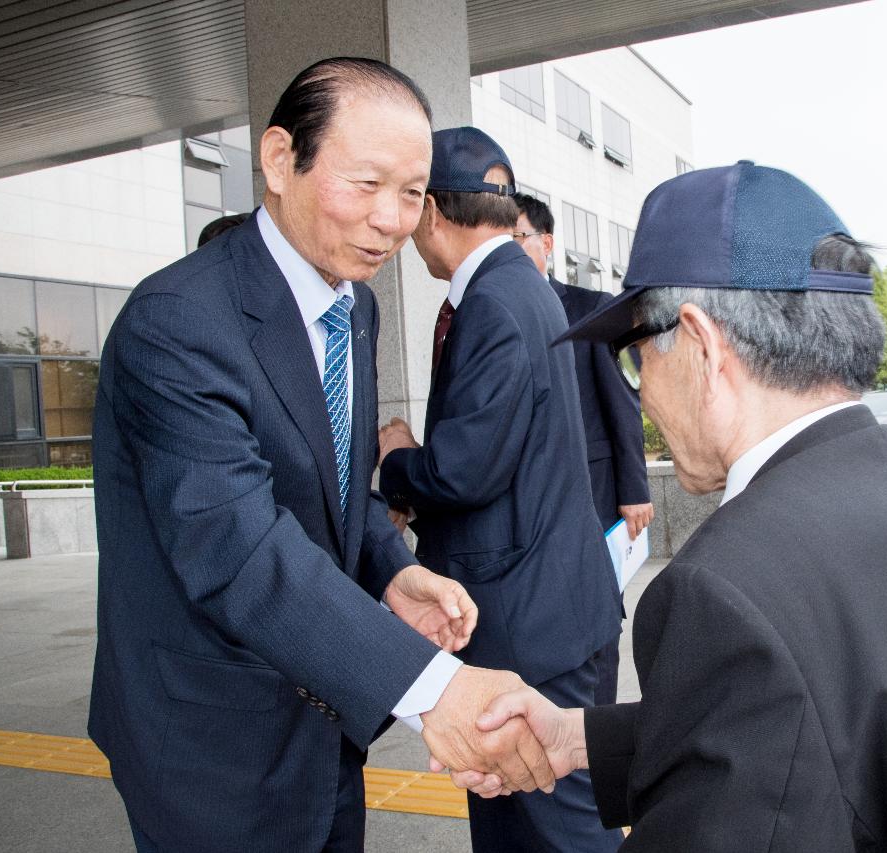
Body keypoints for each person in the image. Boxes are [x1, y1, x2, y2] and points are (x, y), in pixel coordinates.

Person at [459, 162, 887, 852]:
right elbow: (817, 717)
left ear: (702, 346)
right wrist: (578, 735)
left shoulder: (722, 591)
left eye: (637, 354)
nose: (641, 392)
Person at [88, 58, 554, 853]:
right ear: (279, 160)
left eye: (411, 193)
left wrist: (389, 566)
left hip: (325, 719)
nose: (391, 219)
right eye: (366, 183)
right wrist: (432, 688)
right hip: (211, 742)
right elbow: (239, 548)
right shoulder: (177, 322)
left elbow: (335, 485)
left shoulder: (354, 308)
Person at [377, 127, 623, 852]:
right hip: (543, 611)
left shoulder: (490, 304)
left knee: (565, 828)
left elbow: (463, 469)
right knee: (518, 826)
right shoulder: (518, 285)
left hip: (533, 628)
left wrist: (395, 458)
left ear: (431, 212)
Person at [512, 192, 652, 705]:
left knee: (597, 615)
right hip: (528, 503)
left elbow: (622, 402)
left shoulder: (590, 309)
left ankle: (596, 731)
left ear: (546, 243)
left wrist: (634, 490)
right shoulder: (493, 309)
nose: (508, 248)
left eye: (518, 237)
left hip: (594, 494)